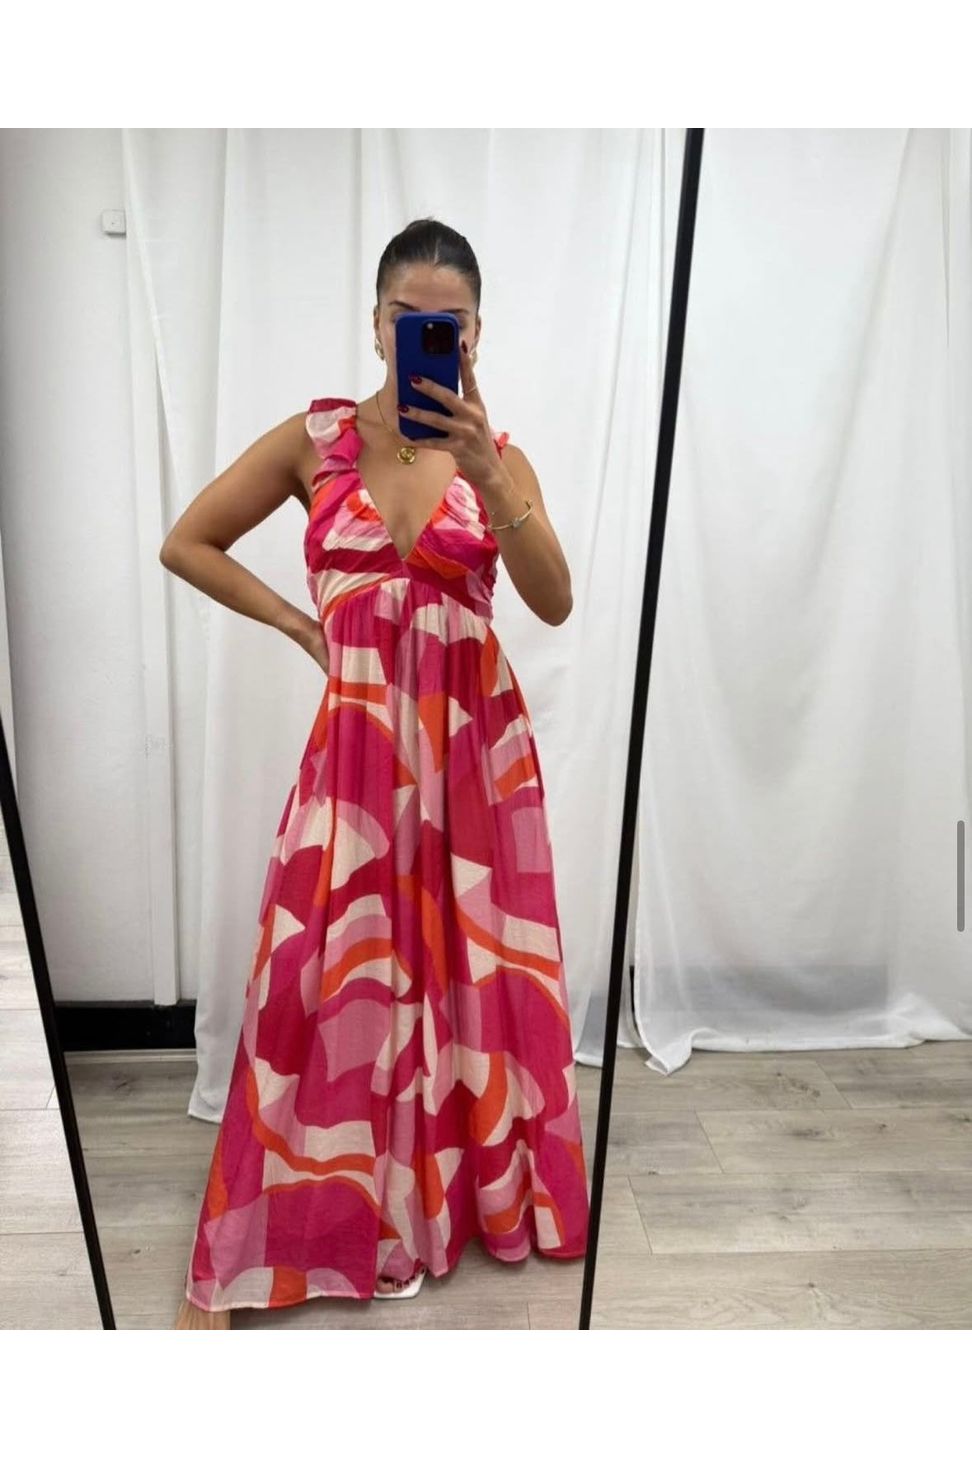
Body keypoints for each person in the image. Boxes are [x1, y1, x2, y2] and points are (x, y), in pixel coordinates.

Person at [164, 217, 590, 1328]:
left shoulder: (499, 456)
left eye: (452, 322)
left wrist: (489, 472)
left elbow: (553, 600)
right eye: (410, 318)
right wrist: (303, 628)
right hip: (356, 750)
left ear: (478, 334)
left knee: (471, 973)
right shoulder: (314, 442)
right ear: (376, 324)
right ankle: (318, 1206)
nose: (431, 335)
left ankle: (456, 1196)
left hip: (474, 756)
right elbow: (188, 541)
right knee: (319, 970)